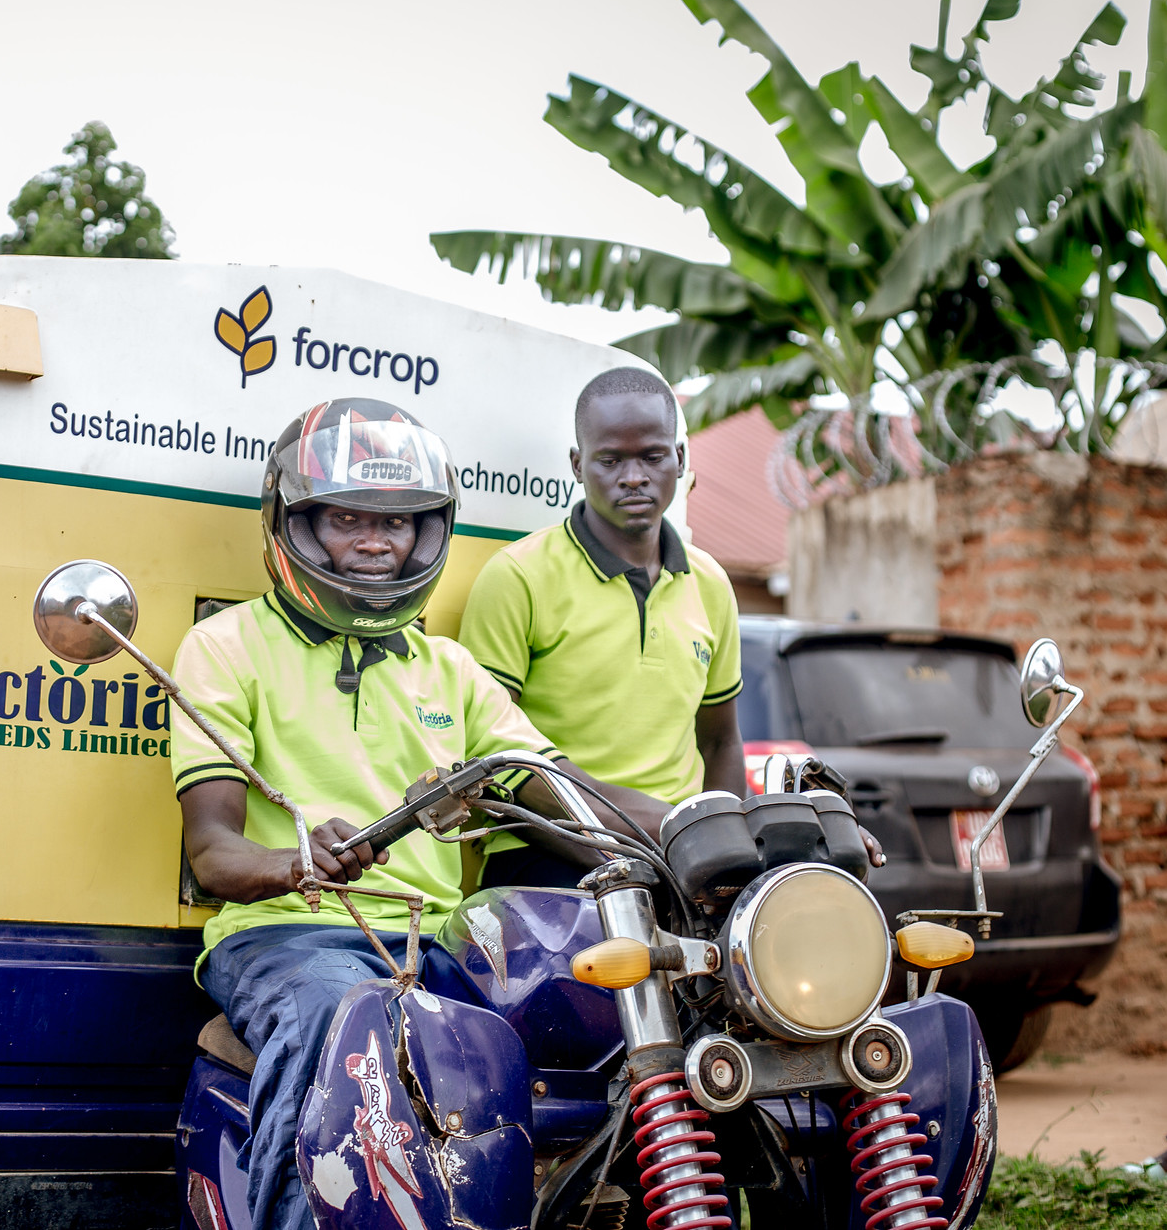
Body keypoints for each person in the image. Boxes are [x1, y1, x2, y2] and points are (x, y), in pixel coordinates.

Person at [170, 397, 575, 1230]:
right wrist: (295, 862)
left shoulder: (449, 669)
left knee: (583, 1004)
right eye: (346, 518)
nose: (374, 539)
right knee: (336, 1022)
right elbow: (211, 851)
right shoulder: (226, 646)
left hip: (437, 936)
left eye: (398, 522)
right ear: (292, 522)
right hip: (289, 935)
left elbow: (555, 782)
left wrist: (707, 824)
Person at [459, 366, 747, 815]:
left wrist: (724, 841)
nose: (633, 477)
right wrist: (618, 832)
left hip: (681, 849)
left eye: (652, 457)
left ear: (680, 458)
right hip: (548, 844)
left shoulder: (710, 583)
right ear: (578, 465)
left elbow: (720, 740)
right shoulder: (519, 576)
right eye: (610, 461)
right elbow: (488, 748)